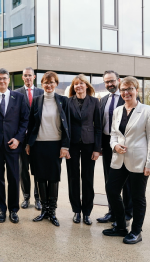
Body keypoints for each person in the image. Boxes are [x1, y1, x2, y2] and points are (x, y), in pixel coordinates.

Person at [102, 76, 150, 245]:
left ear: (137, 90)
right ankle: (121, 226)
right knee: (111, 189)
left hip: (139, 160)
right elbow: (113, 134)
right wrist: (114, 145)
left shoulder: (146, 110)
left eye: (130, 88)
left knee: (138, 197)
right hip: (119, 158)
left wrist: (149, 164)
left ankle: (136, 231)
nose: (126, 92)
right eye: (123, 89)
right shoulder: (117, 111)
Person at [0, 68, 29, 224]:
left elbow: (25, 120)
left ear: (8, 80)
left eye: (4, 78)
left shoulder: (19, 97)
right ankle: (1, 209)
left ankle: (14, 210)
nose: (1, 81)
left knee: (14, 178)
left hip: (13, 145)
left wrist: (18, 139)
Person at [26, 71, 70, 227]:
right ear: (42, 84)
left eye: (52, 82)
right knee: (40, 177)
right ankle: (43, 210)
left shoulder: (63, 101)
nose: (49, 85)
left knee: (53, 178)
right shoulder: (37, 101)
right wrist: (28, 144)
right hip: (38, 144)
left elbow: (67, 126)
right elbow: (31, 124)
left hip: (55, 145)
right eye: (46, 82)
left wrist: (65, 146)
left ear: (56, 84)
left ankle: (52, 211)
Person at [97, 70, 133, 224]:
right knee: (109, 178)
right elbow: (100, 125)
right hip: (107, 143)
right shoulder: (103, 100)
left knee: (126, 180)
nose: (110, 84)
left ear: (118, 80)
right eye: (107, 82)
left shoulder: (127, 97)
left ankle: (127, 213)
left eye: (112, 81)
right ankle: (112, 211)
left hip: (124, 144)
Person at [66, 74, 102, 225]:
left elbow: (99, 126)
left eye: (81, 83)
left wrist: (97, 149)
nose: (78, 86)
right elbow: (65, 125)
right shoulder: (68, 102)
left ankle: (87, 212)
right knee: (73, 178)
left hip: (89, 143)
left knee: (87, 178)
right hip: (72, 144)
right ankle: (76, 211)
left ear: (87, 85)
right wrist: (65, 146)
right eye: (76, 84)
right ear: (73, 87)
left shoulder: (94, 102)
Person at [15, 67, 44, 210]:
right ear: (22, 77)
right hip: (22, 137)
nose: (27, 78)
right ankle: (26, 197)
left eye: (29, 75)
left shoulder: (41, 92)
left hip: (38, 137)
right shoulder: (16, 93)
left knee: (37, 169)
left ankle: (38, 198)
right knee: (23, 169)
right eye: (25, 75)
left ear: (34, 77)